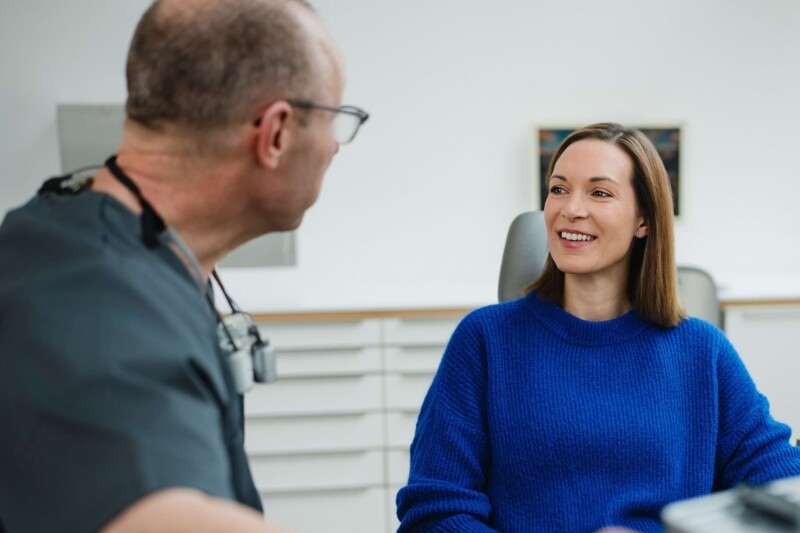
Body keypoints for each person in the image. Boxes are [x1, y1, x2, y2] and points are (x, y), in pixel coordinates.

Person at [0, 0, 369, 532]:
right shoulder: (94, 301)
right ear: (277, 134)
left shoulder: (86, 238)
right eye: (336, 119)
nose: (335, 147)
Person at [396, 123, 800, 532]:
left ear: (644, 220)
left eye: (600, 192)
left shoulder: (703, 351)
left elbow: (780, 484)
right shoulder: (484, 340)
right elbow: (436, 511)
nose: (570, 208)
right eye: (558, 189)